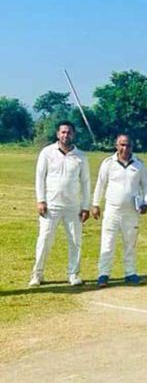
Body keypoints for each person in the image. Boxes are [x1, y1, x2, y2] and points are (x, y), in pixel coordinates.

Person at [29, 121, 91, 287]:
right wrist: (41, 200)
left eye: (69, 132)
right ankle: (37, 274)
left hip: (73, 207)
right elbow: (40, 177)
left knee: (75, 241)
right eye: (63, 132)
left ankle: (73, 274)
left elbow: (85, 183)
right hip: (51, 206)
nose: (66, 135)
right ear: (58, 134)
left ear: (74, 135)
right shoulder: (47, 152)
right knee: (45, 239)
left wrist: (86, 207)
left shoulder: (80, 156)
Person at [91, 134, 147, 287]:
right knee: (107, 243)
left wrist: (145, 202)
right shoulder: (108, 163)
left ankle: (130, 273)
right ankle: (103, 275)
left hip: (131, 211)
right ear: (116, 145)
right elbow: (100, 184)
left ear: (132, 146)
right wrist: (95, 204)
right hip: (112, 210)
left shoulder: (139, 164)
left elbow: (146, 186)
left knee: (130, 244)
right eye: (122, 145)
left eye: (128, 145)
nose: (125, 148)